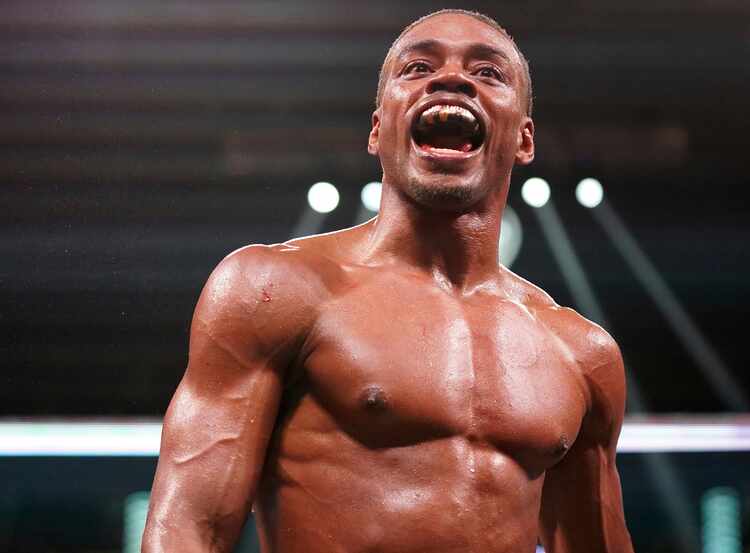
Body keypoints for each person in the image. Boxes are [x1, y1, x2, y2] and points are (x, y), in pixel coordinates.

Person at [142, 9, 634, 553]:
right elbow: (190, 528)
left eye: (489, 73)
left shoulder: (582, 354)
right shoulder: (278, 289)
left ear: (524, 139)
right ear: (378, 130)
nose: (451, 78)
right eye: (418, 67)